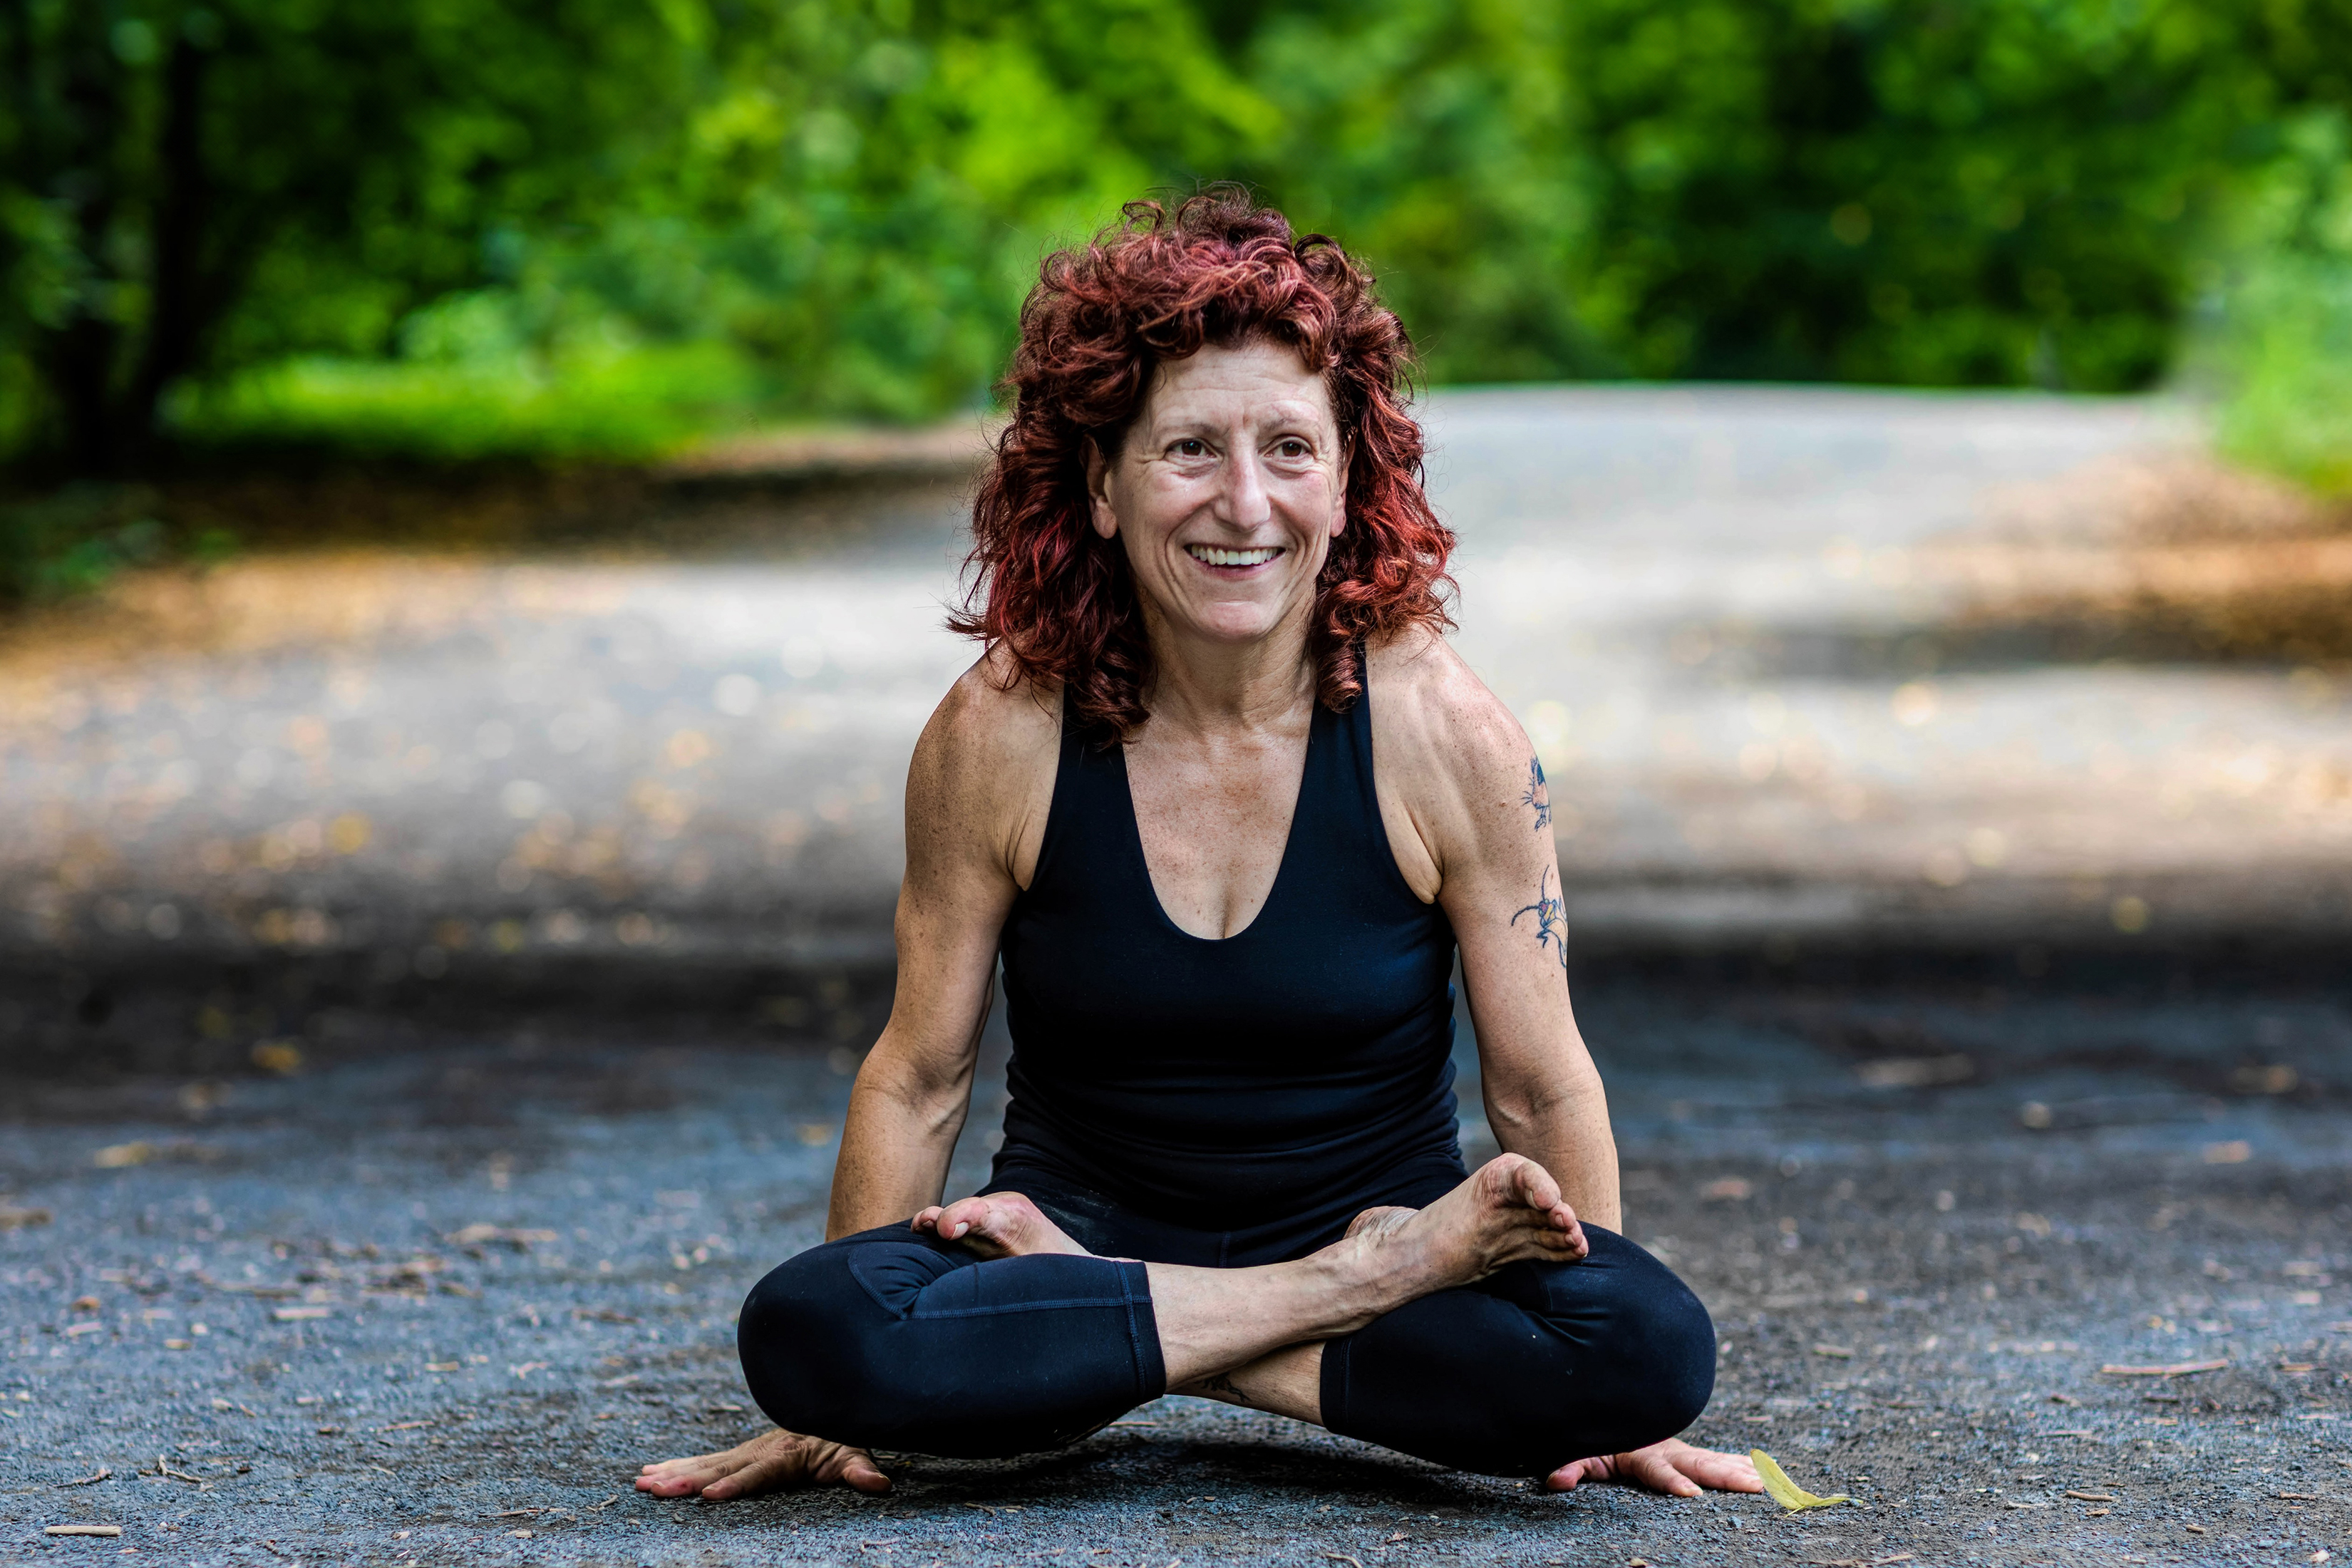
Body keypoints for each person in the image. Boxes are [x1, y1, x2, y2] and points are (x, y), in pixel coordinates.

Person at [637, 189, 1761, 1502]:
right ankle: (1305, 1302)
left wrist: (1597, 1375)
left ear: (1348, 483)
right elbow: (920, 1075)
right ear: (1104, 488)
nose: (1244, 504)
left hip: (1240, 1256)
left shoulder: (1444, 732)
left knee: (1646, 1346)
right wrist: (831, 1397)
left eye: (1290, 449)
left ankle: (1128, 1327)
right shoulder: (1001, 731)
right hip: (1216, 1246)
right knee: (810, 1332)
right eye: (1189, 451)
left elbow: (1541, 1087)